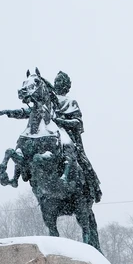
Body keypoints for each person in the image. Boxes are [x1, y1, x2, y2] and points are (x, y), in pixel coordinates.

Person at [50, 71, 102, 203]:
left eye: (60, 81)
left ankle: (94, 187)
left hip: (68, 137)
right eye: (56, 81)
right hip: (51, 136)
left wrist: (61, 122)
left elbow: (78, 122)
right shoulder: (49, 101)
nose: (56, 84)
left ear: (66, 85)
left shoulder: (70, 102)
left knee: (83, 161)